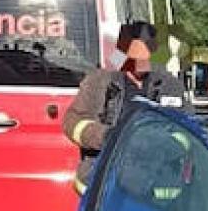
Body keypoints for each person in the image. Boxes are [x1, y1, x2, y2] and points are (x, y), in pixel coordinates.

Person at [63, 21, 191, 195]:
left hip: (157, 192)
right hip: (102, 189)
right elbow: (72, 121)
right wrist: (104, 136)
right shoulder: (99, 81)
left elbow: (189, 131)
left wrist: (155, 143)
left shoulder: (170, 86)